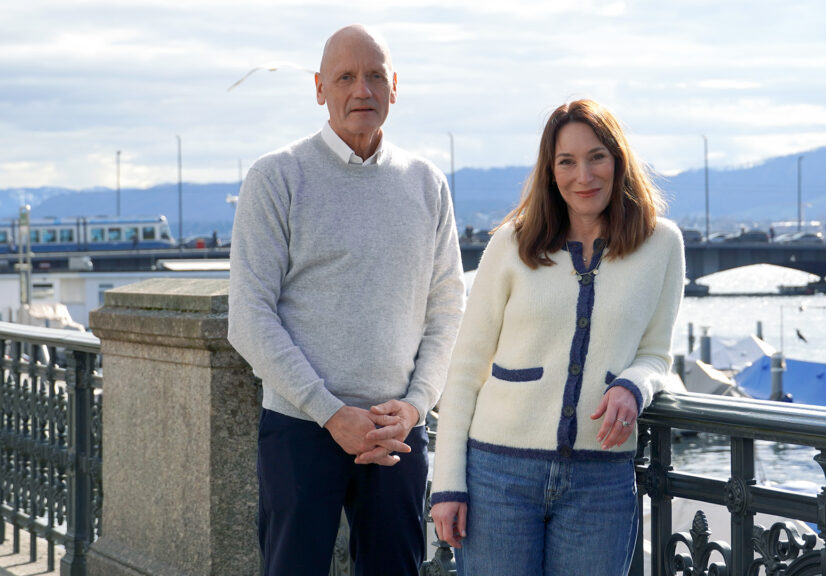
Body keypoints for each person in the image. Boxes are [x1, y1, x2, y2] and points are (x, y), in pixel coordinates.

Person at [227, 24, 465, 576]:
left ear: (394, 86)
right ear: (319, 89)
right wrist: (330, 413)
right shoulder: (276, 177)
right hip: (301, 427)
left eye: (375, 76)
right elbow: (249, 316)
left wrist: (415, 405)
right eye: (346, 77)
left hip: (396, 432)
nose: (362, 90)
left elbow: (448, 307)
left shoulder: (427, 183)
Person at [430, 99, 684, 576]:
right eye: (566, 162)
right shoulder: (512, 243)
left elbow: (656, 355)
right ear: (550, 171)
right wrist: (448, 486)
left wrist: (634, 385)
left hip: (600, 480)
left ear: (619, 161)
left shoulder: (661, 244)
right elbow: (464, 369)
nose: (582, 176)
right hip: (498, 476)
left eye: (596, 157)